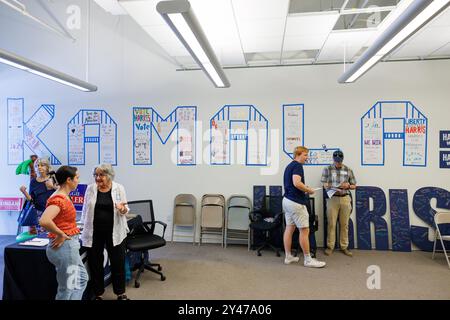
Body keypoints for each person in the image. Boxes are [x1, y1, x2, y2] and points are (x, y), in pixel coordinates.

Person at [81, 164, 130, 300]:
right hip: (94, 232)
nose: (98, 178)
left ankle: (120, 293)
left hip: (115, 232)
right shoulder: (90, 189)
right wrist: (81, 226)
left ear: (109, 176)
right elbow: (85, 210)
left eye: (101, 175)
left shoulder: (119, 188)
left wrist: (122, 209)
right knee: (95, 264)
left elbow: (126, 209)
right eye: (96, 175)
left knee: (117, 262)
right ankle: (98, 294)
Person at [39, 166, 88, 300]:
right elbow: (44, 221)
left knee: (82, 279)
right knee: (67, 288)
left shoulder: (62, 194)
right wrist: (60, 234)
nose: (78, 180)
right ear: (68, 180)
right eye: (77, 178)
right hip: (65, 247)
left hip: (68, 246)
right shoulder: (59, 199)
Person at [282, 146, 326, 268]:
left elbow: (294, 183)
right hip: (295, 203)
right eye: (305, 155)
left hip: (287, 200)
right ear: (298, 154)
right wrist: (308, 190)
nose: (307, 158)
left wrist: (304, 188)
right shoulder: (297, 166)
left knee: (290, 228)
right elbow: (296, 183)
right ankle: (308, 259)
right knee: (304, 230)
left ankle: (288, 256)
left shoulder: (289, 166)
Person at [321, 150, 357, 257]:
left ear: (342, 159)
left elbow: (354, 185)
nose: (338, 163)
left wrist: (348, 186)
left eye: (339, 161)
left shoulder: (348, 169)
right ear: (333, 159)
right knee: (331, 223)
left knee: (344, 224)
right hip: (333, 199)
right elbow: (324, 184)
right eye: (336, 161)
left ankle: (344, 246)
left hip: (345, 198)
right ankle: (330, 247)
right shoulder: (327, 169)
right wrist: (333, 186)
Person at [19, 157, 57, 234]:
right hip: (39, 212)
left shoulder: (53, 178)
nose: (39, 167)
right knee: (41, 236)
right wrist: (24, 192)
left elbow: (62, 191)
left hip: (53, 211)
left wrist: (53, 186)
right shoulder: (33, 181)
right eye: (37, 165)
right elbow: (31, 199)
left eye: (42, 165)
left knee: (54, 235)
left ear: (47, 167)